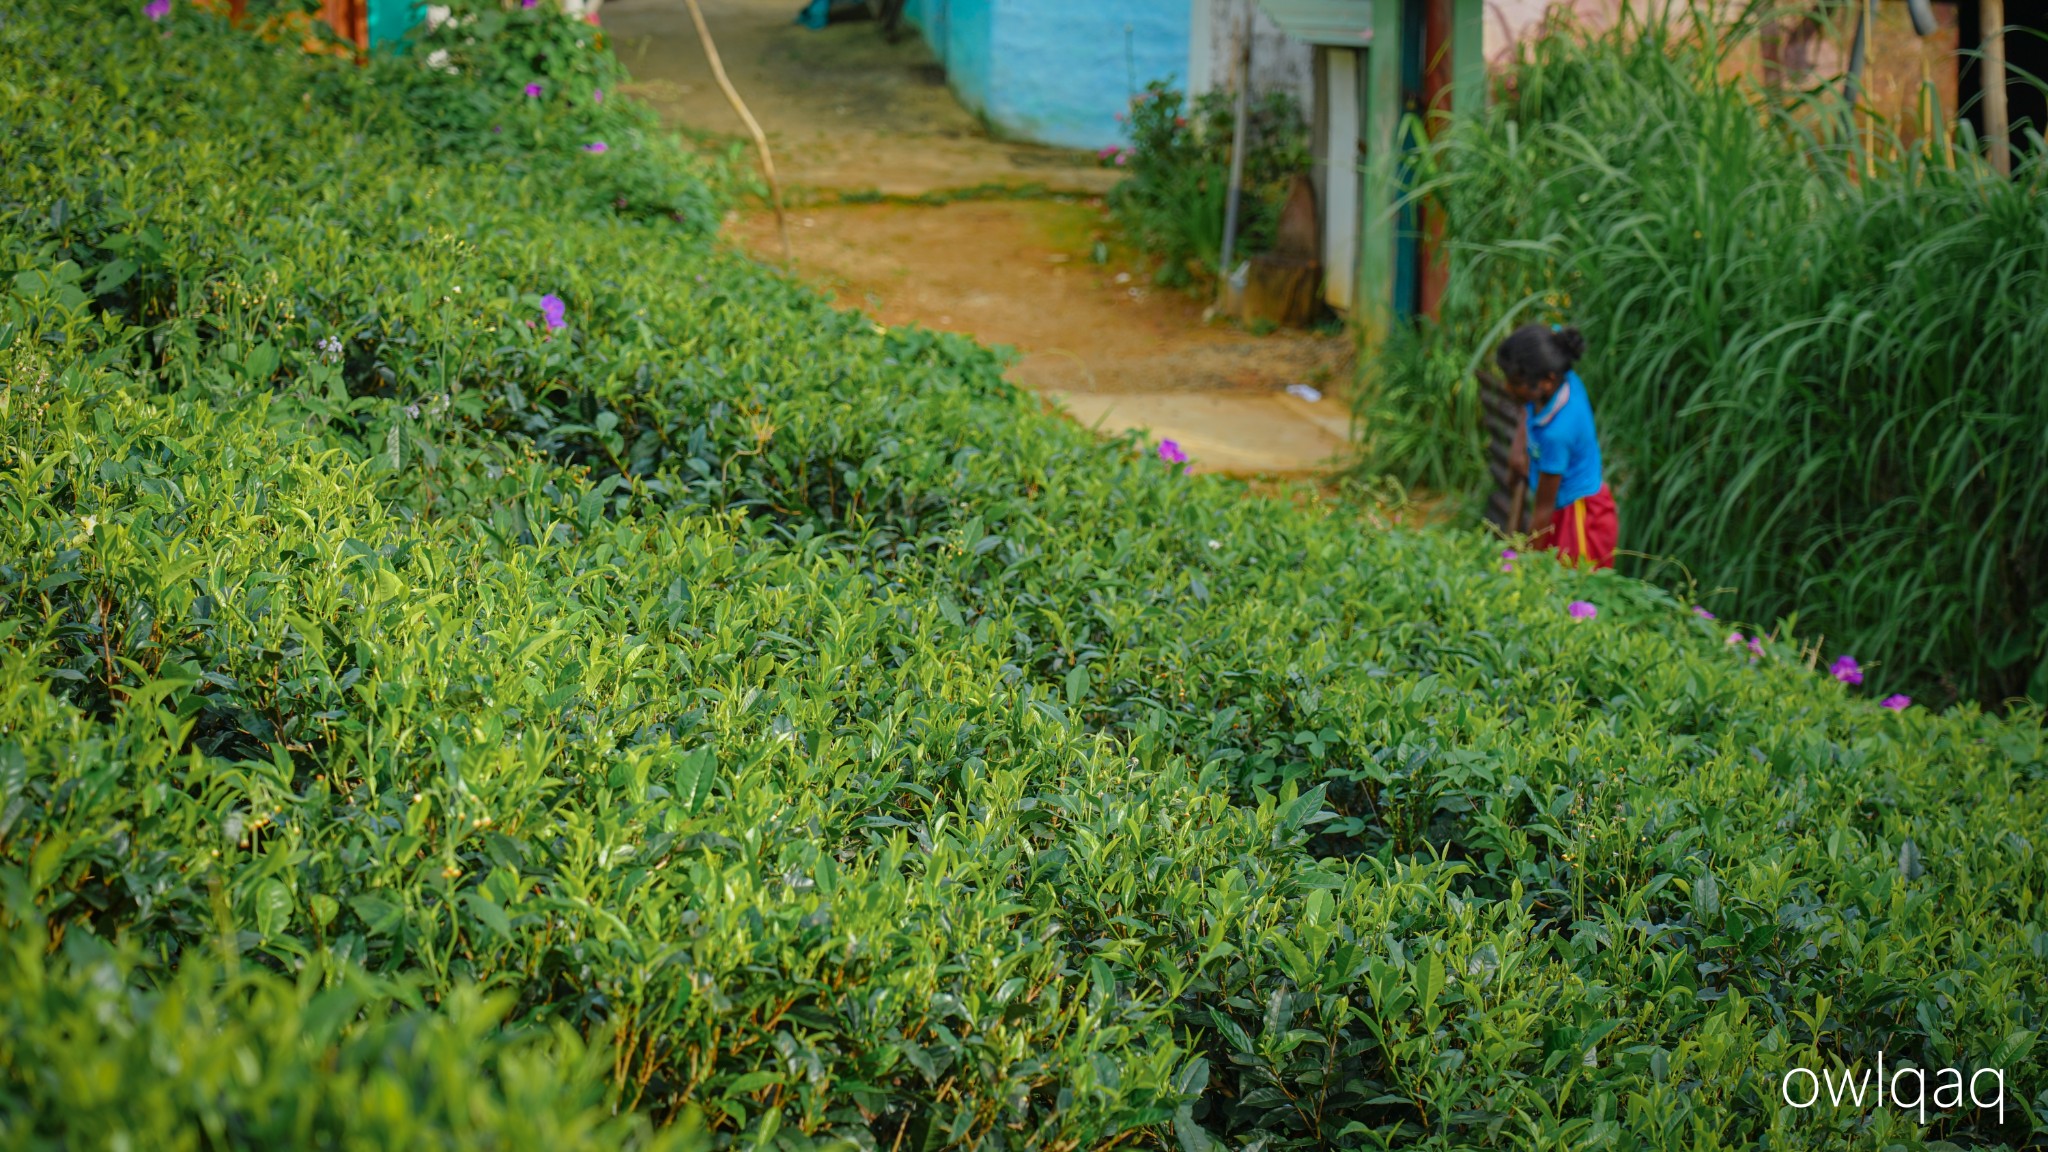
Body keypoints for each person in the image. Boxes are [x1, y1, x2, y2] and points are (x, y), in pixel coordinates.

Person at [1500, 323, 1618, 570]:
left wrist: (1520, 568)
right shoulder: (1557, 366)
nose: (1506, 387)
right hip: (1554, 509)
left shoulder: (1558, 432)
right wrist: (1518, 447)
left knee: (1567, 589)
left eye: (1514, 382)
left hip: (1577, 520)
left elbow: (1542, 512)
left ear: (1546, 382)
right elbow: (1527, 410)